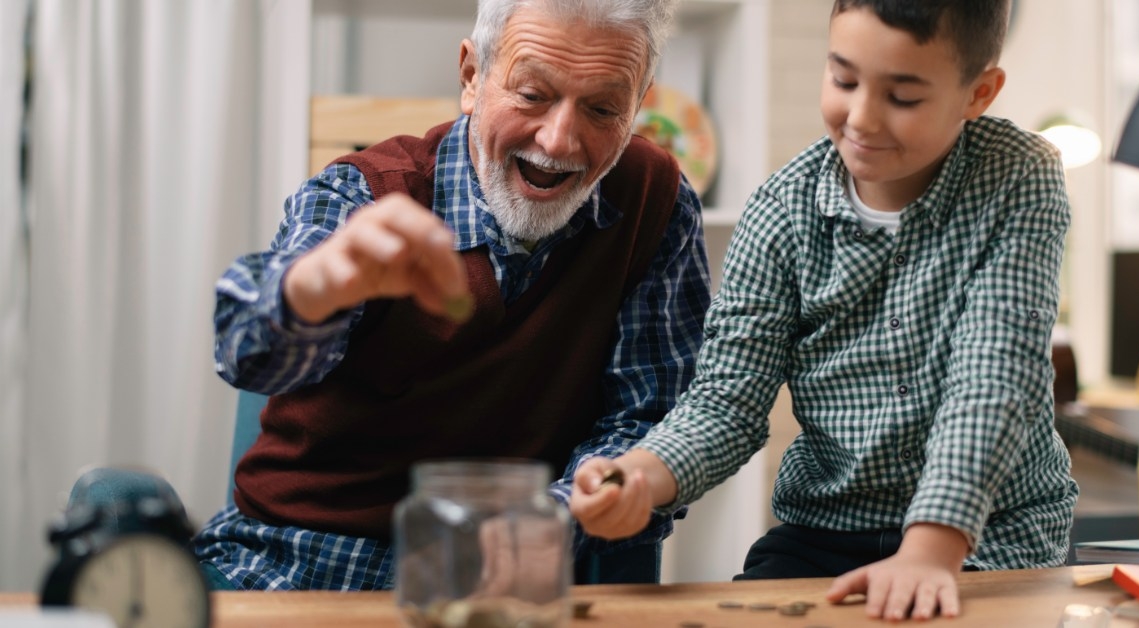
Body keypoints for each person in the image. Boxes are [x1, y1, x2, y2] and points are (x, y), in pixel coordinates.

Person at [570, 0, 1078, 621]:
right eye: (843, 79)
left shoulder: (1020, 177)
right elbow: (726, 401)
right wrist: (645, 476)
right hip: (828, 530)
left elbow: (993, 377)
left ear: (980, 93)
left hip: (991, 531)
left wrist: (933, 544)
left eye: (904, 96)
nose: (861, 117)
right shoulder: (781, 211)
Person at [191, 0, 711, 591]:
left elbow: (645, 416)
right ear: (471, 77)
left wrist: (553, 519)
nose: (559, 140)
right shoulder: (363, 192)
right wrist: (315, 285)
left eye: (601, 108)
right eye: (532, 94)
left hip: (505, 580)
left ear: (636, 108)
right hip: (297, 562)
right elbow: (246, 354)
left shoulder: (655, 203)